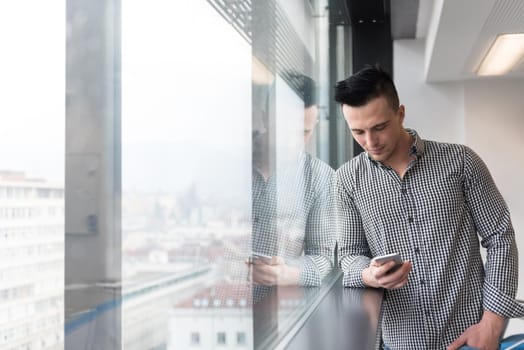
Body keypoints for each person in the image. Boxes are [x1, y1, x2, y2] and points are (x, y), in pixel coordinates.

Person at [334, 64, 524, 349]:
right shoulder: (346, 180)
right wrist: (369, 274)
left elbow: (500, 237)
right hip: (401, 341)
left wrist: (492, 324)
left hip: (470, 337)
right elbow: (349, 256)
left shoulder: (460, 162)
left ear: (400, 114)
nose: (370, 142)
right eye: (358, 131)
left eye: (379, 127)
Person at [249, 73, 336, 287]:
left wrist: (288, 274)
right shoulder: (232, 167)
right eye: (284, 130)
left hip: (284, 310)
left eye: (304, 132)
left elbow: (322, 257)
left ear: (315, 122)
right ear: (264, 116)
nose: (291, 142)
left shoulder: (322, 178)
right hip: (226, 298)